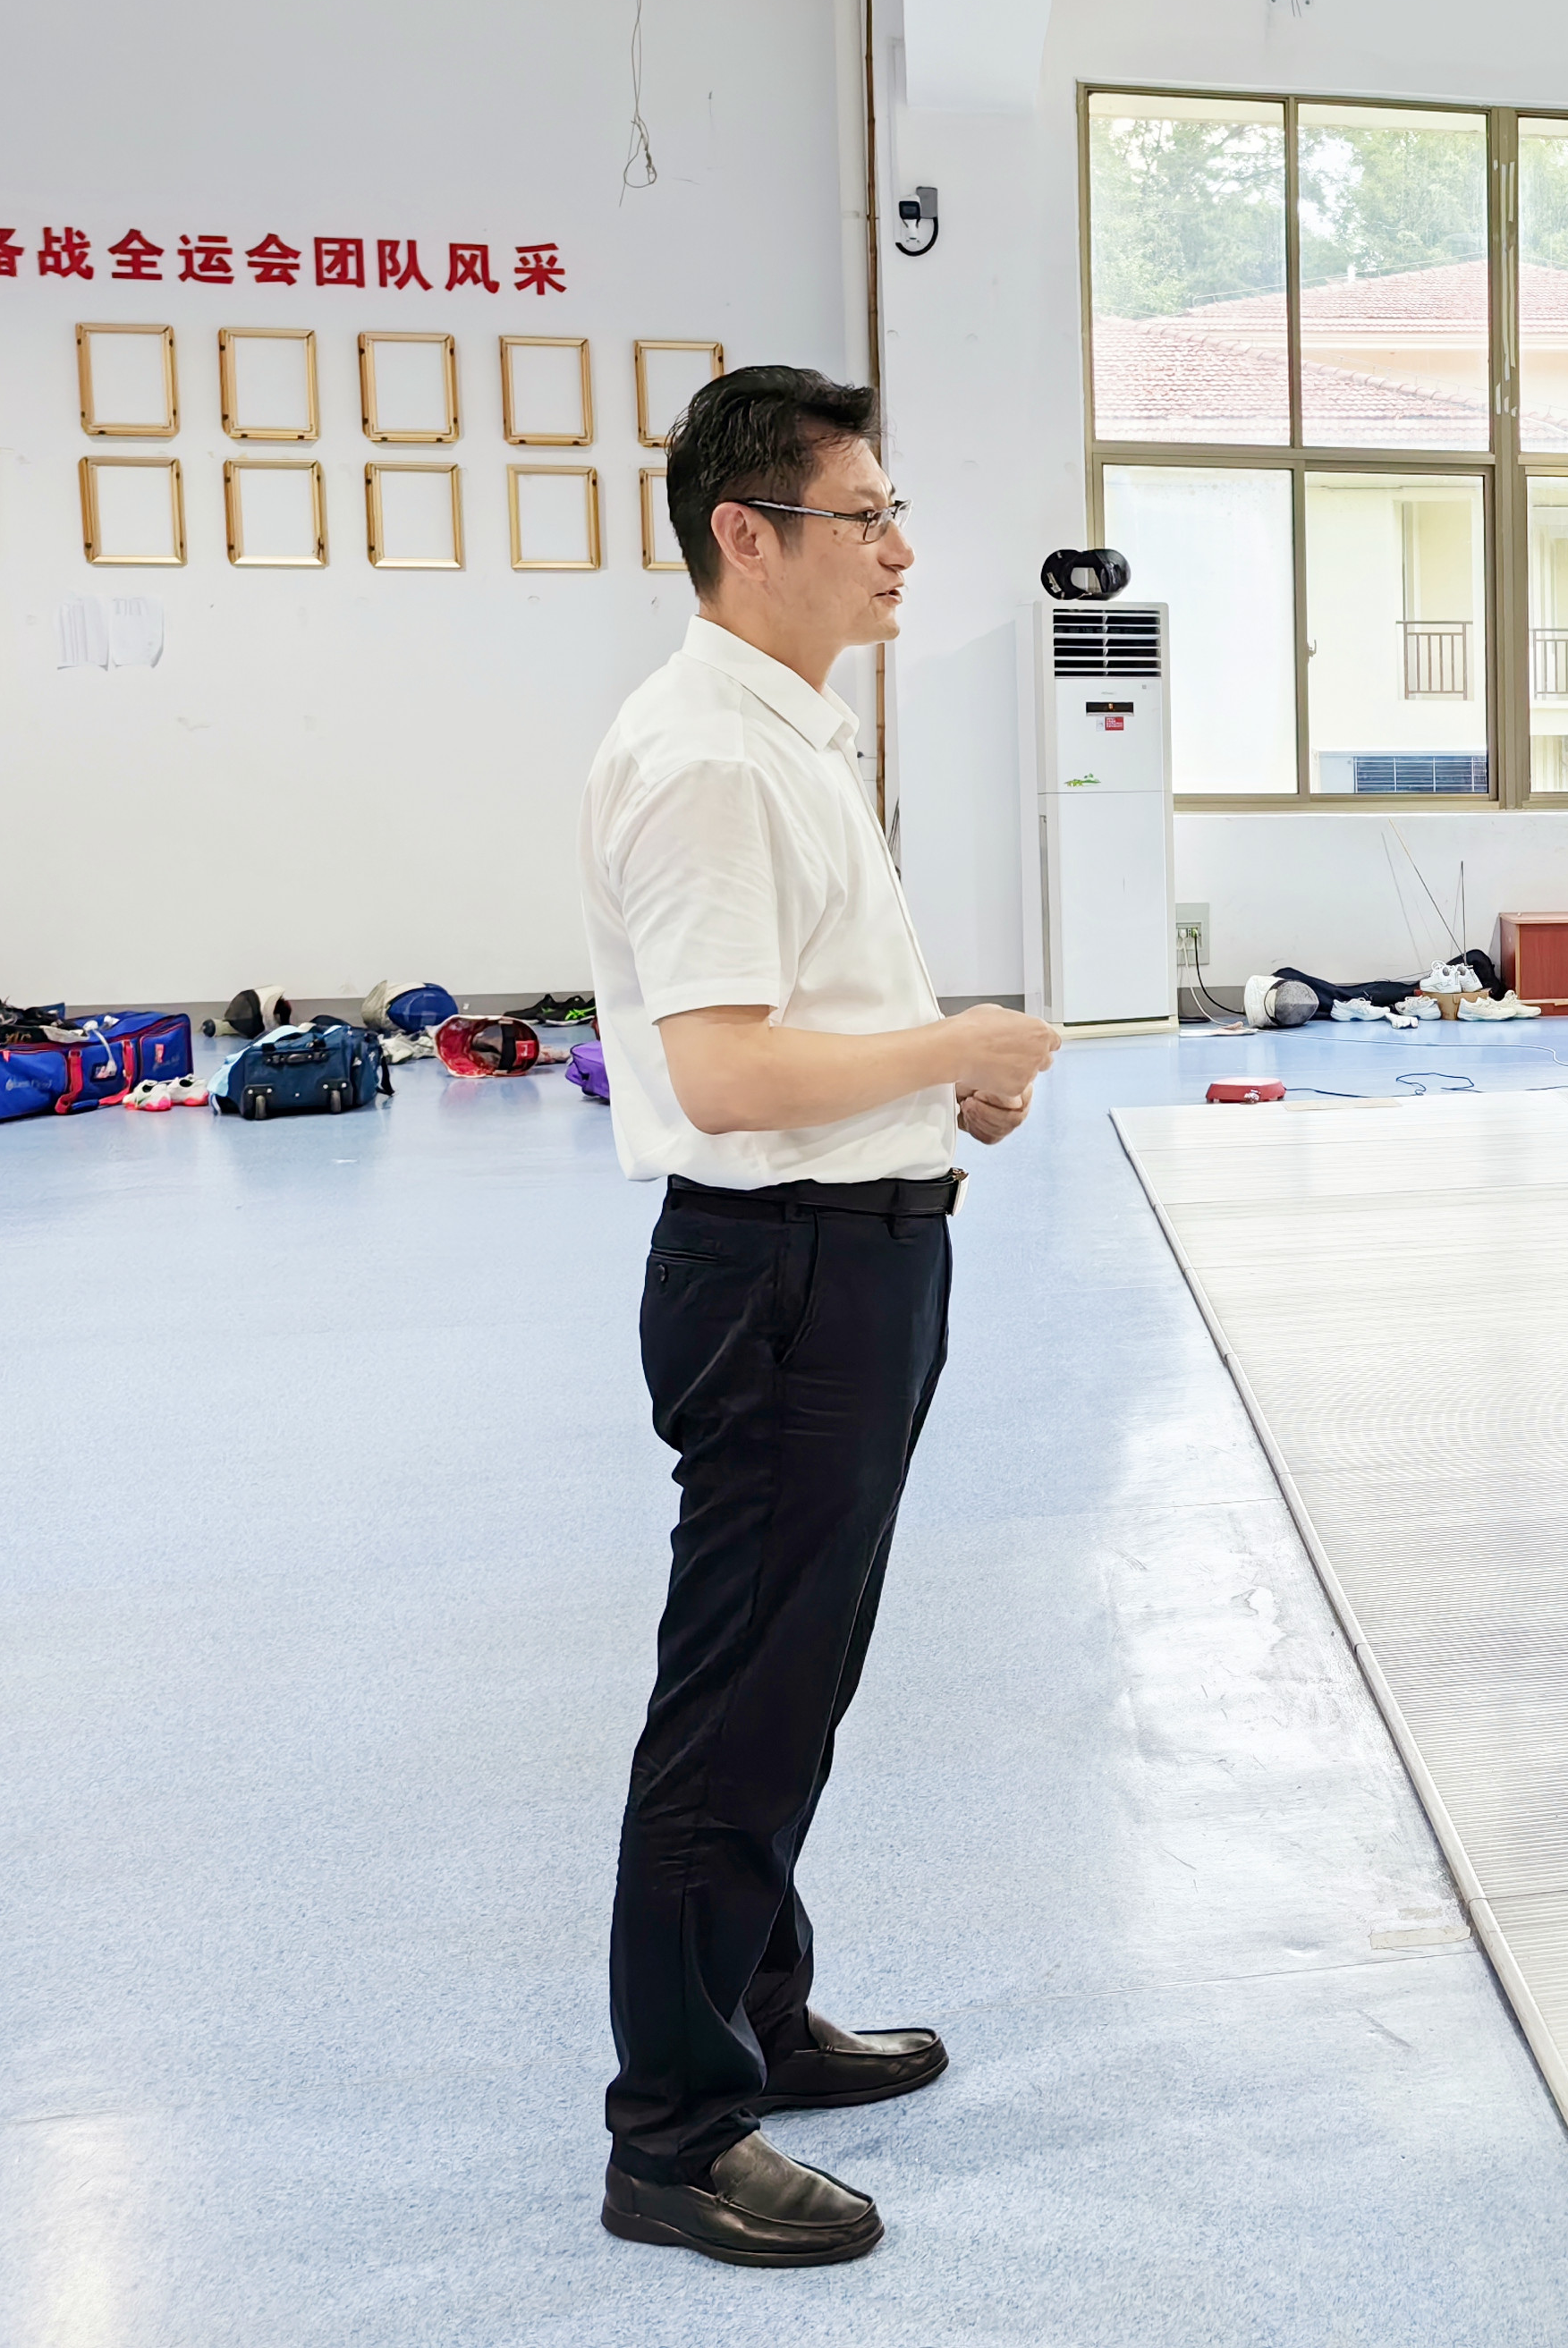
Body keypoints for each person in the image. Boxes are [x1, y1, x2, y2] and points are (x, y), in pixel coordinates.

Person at [582, 365, 1062, 2267]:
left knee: (797, 1680)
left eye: (892, 512)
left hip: (852, 1251)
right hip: (781, 1276)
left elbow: (804, 1028)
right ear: (747, 533)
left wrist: (933, 1089)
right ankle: (673, 2129)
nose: (899, 551)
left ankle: (756, 2012)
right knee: (737, 1704)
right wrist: (950, 1045)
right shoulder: (708, 756)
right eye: (865, 517)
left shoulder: (787, 733)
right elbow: (719, 1073)